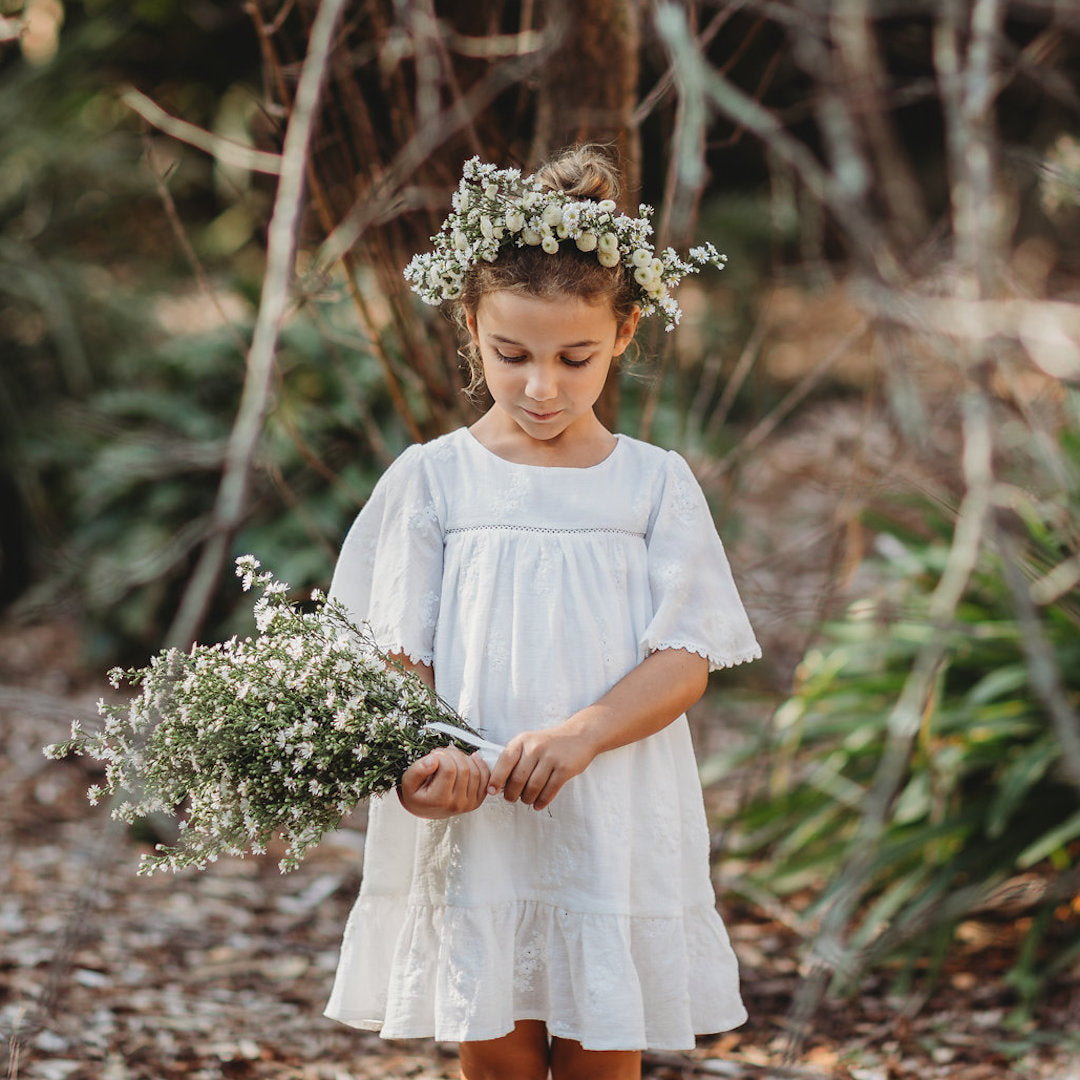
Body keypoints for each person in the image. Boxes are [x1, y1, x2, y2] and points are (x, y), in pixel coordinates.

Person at [323, 146, 761, 1080]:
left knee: (603, 1055)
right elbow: (397, 656)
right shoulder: (434, 481)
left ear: (626, 333)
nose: (541, 388)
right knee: (498, 1058)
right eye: (510, 355)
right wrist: (422, 759)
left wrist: (583, 735)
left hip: (612, 810)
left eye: (576, 357)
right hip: (482, 818)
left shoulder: (653, 487)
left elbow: (686, 656)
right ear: (470, 325)